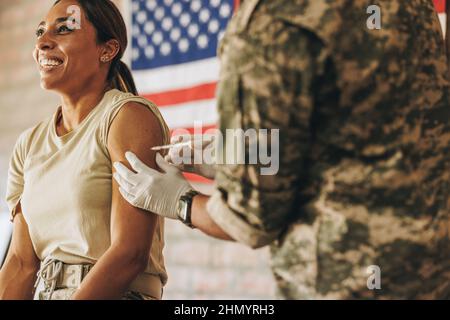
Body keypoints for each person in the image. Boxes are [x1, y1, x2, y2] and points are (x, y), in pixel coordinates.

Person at [114, 0, 450, 299]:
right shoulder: (411, 6)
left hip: (346, 279)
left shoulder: (273, 24)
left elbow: (251, 220)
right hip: (432, 267)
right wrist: (239, 155)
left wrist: (180, 201)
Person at [0, 0, 170, 300]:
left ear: (107, 50)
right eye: (40, 32)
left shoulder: (127, 117)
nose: (42, 42)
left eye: (63, 30)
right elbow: (21, 264)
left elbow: (129, 254)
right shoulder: (29, 144)